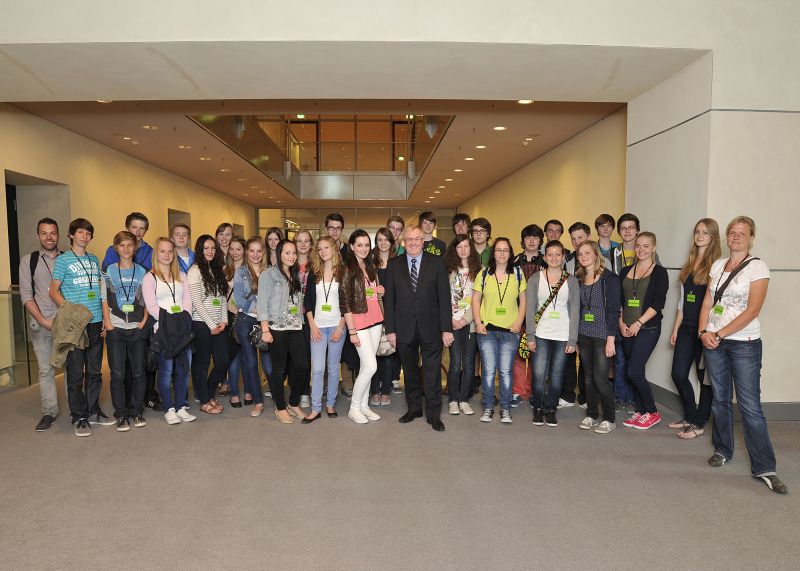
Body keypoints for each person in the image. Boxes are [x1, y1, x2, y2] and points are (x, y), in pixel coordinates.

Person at [699, 216, 787, 494]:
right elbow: (708, 302)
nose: (735, 237)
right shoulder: (717, 265)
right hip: (713, 341)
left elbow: (753, 310)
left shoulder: (758, 267)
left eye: (742, 233)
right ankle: (723, 449)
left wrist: (720, 334)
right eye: (732, 233)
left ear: (751, 237)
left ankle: (765, 467)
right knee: (720, 401)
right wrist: (704, 331)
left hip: (743, 343)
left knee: (750, 406)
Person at [384, 224, 453, 432]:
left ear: (424, 241)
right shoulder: (394, 265)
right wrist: (391, 330)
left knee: (432, 373)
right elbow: (389, 301)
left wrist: (446, 328)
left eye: (418, 239)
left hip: (431, 327)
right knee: (411, 372)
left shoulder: (437, 263)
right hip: (404, 328)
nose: (414, 243)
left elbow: (444, 299)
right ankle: (414, 409)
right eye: (410, 239)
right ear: (404, 241)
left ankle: (434, 414)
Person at [49, 218, 113, 436]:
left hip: (95, 324)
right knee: (76, 375)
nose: (85, 236)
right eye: (80, 233)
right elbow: (53, 291)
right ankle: (79, 416)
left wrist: (105, 319)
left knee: (95, 373)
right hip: (76, 326)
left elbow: (100, 293)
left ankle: (93, 410)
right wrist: (69, 312)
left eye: (88, 233)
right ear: (71, 235)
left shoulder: (94, 261)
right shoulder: (63, 260)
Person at [669, 219, 720, 439]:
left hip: (704, 330)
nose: (700, 236)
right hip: (686, 328)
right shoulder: (689, 264)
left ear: (713, 237)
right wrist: (675, 328)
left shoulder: (717, 265)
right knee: (678, 373)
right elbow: (682, 301)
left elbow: (717, 304)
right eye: (697, 232)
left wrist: (711, 330)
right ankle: (690, 414)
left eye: (705, 233)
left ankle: (699, 423)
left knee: (704, 379)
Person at [141, 237, 196, 425]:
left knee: (183, 371)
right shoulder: (150, 278)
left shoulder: (182, 275)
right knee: (165, 372)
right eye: (162, 251)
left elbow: (187, 300)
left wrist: (184, 318)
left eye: (170, 251)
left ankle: (181, 406)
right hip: (162, 330)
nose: (167, 255)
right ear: (156, 254)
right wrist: (172, 320)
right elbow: (152, 305)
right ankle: (169, 408)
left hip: (182, 330)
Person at [472, 237, 527, 424]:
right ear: (493, 253)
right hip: (487, 330)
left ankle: (505, 408)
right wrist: (478, 323)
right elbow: (476, 300)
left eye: (505, 250)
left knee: (505, 371)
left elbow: (523, 301)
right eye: (498, 250)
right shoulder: (484, 274)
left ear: (510, 253)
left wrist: (519, 322)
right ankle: (488, 406)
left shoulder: (518, 273)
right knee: (487, 371)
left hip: (510, 331)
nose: (502, 253)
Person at [525, 240, 579, 428]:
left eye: (558, 254)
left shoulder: (571, 280)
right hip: (540, 333)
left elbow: (574, 311)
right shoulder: (535, 279)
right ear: (545, 257)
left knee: (557, 376)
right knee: (539, 374)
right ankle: (538, 408)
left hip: (562, 335)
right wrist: (530, 336)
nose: (554, 258)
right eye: (550, 254)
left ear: (563, 257)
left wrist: (573, 339)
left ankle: (550, 409)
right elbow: (530, 309)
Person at [619, 232, 669, 430]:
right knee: (635, 372)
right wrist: (621, 323)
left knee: (634, 370)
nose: (641, 250)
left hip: (647, 328)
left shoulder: (659, 272)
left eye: (646, 246)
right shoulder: (625, 271)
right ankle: (641, 412)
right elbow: (620, 301)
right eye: (638, 246)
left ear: (654, 248)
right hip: (626, 328)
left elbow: (658, 303)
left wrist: (638, 323)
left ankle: (652, 411)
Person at [101, 231, 149, 431]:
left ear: (135, 248)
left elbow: (148, 299)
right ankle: (121, 414)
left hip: (137, 327)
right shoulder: (109, 271)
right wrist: (108, 324)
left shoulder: (143, 272)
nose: (126, 249)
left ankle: (136, 411)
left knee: (139, 373)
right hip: (116, 327)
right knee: (118, 373)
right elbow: (104, 299)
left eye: (130, 245)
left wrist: (144, 321)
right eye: (122, 245)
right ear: (115, 248)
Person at [257, 239, 309, 423]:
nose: (292, 256)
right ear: (279, 254)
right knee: (279, 370)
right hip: (277, 327)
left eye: (294, 252)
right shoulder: (268, 275)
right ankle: (280, 407)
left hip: (296, 326)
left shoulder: (295, 274)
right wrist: (265, 330)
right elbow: (262, 303)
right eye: (287, 253)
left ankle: (293, 403)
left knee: (302, 366)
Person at [574, 241, 621, 433]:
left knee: (601, 379)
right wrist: (575, 339)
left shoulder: (609, 279)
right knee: (587, 377)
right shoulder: (579, 279)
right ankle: (592, 415)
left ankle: (609, 418)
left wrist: (611, 339)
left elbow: (614, 310)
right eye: (580, 254)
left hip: (603, 335)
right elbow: (578, 310)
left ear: (596, 255)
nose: (583, 256)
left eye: (587, 252)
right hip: (584, 334)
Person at [19, 218, 61, 431]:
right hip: (41, 322)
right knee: (46, 370)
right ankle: (49, 412)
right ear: (38, 236)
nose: (48, 237)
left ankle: (81, 411)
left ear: (58, 235)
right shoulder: (29, 261)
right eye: (44, 233)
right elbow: (26, 295)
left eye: (52, 233)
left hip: (66, 325)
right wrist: (43, 320)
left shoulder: (68, 259)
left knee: (75, 368)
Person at [340, 230, 385, 424]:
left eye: (367, 245)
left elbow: (370, 292)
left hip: (375, 320)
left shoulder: (370, 266)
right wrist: (351, 331)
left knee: (369, 366)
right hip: (359, 324)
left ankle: (364, 406)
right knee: (369, 366)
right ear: (351, 246)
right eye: (359, 245)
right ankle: (354, 407)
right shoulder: (347, 269)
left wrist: (379, 290)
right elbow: (345, 303)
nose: (364, 249)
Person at [304, 235, 346, 422]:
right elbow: (308, 302)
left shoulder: (343, 272)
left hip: (338, 326)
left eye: (326, 248)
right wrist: (312, 325)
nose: (322, 252)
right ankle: (315, 408)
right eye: (319, 249)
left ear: (334, 249)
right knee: (318, 369)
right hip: (318, 328)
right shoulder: (314, 272)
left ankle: (330, 404)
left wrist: (340, 327)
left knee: (333, 368)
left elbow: (348, 302)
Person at [188, 234, 230, 415]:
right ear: (200, 250)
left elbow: (221, 298)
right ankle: (205, 400)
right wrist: (211, 324)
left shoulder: (217, 269)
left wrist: (224, 320)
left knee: (222, 362)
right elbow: (196, 302)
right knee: (202, 363)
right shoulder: (195, 271)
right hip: (201, 323)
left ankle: (207, 392)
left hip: (218, 324)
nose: (210, 251)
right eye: (206, 248)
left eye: (213, 248)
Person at [444, 234, 481, 415]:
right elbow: (442, 297)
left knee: (468, 363)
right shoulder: (448, 270)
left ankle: (464, 399)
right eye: (459, 247)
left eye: (466, 246)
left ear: (471, 248)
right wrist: (451, 320)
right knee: (455, 363)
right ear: (454, 249)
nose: (463, 249)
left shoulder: (480, 271)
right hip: (452, 322)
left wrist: (465, 320)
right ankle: (452, 399)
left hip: (470, 322)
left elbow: (479, 299)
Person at [232, 236, 268, 417]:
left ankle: (277, 397)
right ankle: (258, 401)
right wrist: (261, 307)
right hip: (245, 321)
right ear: (247, 252)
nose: (255, 254)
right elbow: (239, 300)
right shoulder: (241, 272)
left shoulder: (270, 271)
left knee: (269, 365)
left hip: (266, 323)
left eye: (259, 251)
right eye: (251, 250)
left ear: (264, 252)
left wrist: (265, 313)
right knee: (251, 362)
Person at [511, 223, 546, 406]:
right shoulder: (514, 261)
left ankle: (534, 391)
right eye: (528, 237)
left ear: (540, 240)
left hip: (541, 317)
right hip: (518, 315)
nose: (531, 241)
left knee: (537, 355)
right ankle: (517, 391)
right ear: (523, 240)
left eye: (535, 237)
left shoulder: (547, 262)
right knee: (518, 354)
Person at [370, 227, 397, 406]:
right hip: (373, 312)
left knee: (389, 353)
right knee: (372, 354)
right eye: (379, 239)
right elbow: (362, 288)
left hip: (394, 312)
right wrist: (373, 290)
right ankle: (374, 391)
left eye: (386, 239)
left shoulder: (399, 262)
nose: (383, 242)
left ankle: (385, 391)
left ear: (391, 241)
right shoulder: (370, 263)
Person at [220, 237, 247, 399]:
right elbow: (221, 295)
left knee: (247, 356)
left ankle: (249, 391)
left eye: (238, 249)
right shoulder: (225, 270)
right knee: (234, 356)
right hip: (229, 316)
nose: (235, 252)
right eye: (232, 249)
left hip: (247, 315)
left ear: (244, 250)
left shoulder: (249, 270)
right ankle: (235, 392)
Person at [294, 229, 314, 409]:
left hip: (310, 318)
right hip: (291, 318)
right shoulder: (289, 265)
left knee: (307, 356)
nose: (302, 244)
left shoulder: (316, 266)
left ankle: (305, 392)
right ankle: (295, 390)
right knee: (294, 357)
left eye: (306, 241)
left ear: (310, 244)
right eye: (299, 241)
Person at [385, 215, 405, 389]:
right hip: (381, 302)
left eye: (399, 229)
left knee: (399, 341)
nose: (395, 232)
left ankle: (395, 377)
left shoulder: (406, 252)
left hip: (401, 303)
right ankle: (383, 378)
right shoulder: (380, 249)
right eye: (392, 228)